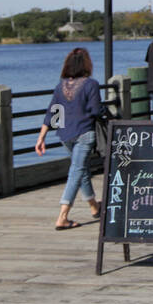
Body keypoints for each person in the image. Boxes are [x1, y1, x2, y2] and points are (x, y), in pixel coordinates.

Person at [35, 47, 105, 230]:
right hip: (84, 133)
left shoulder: (61, 86)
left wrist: (41, 137)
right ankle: (62, 216)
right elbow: (96, 110)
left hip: (65, 135)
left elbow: (52, 112)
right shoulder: (91, 84)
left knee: (81, 170)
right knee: (77, 171)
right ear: (87, 64)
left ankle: (94, 207)